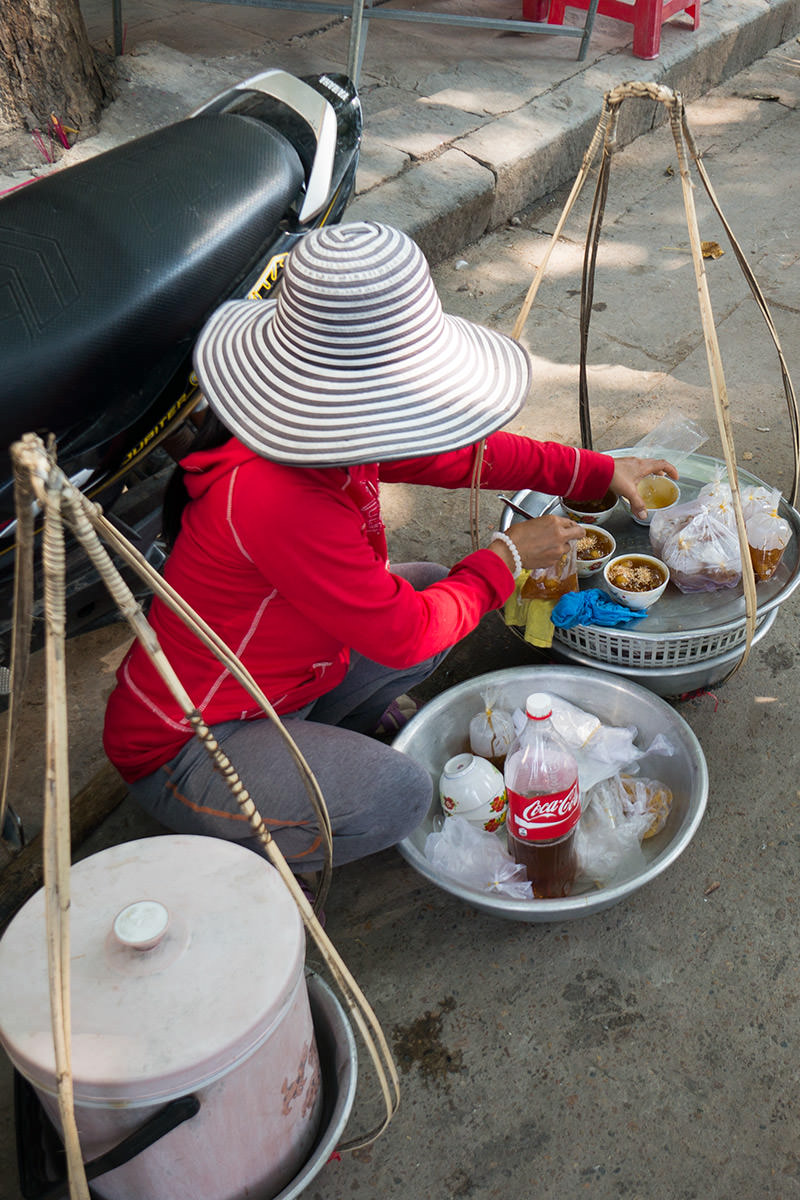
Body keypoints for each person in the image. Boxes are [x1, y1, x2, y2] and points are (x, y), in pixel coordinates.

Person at [102, 221, 676, 879]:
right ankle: (248, 856)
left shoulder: (325, 423)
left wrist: (596, 472)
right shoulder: (276, 493)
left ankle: (323, 744)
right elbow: (404, 634)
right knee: (399, 794)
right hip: (195, 744)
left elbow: (463, 456)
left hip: (287, 680)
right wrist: (508, 558)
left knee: (435, 581)